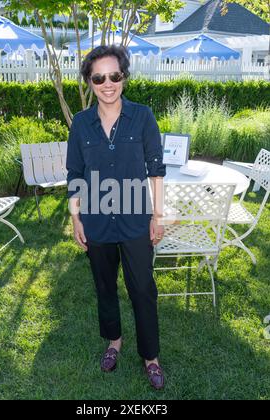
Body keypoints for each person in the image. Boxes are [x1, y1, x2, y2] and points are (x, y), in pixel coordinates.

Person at [66, 45, 166, 390]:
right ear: (90, 82)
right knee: (105, 286)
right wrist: (76, 219)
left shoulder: (142, 116)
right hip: (95, 219)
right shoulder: (81, 123)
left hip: (136, 219)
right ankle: (114, 342)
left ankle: (150, 356)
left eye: (114, 75)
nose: (107, 83)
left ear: (124, 76)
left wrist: (157, 214)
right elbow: (75, 173)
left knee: (142, 289)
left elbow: (156, 169)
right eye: (98, 77)